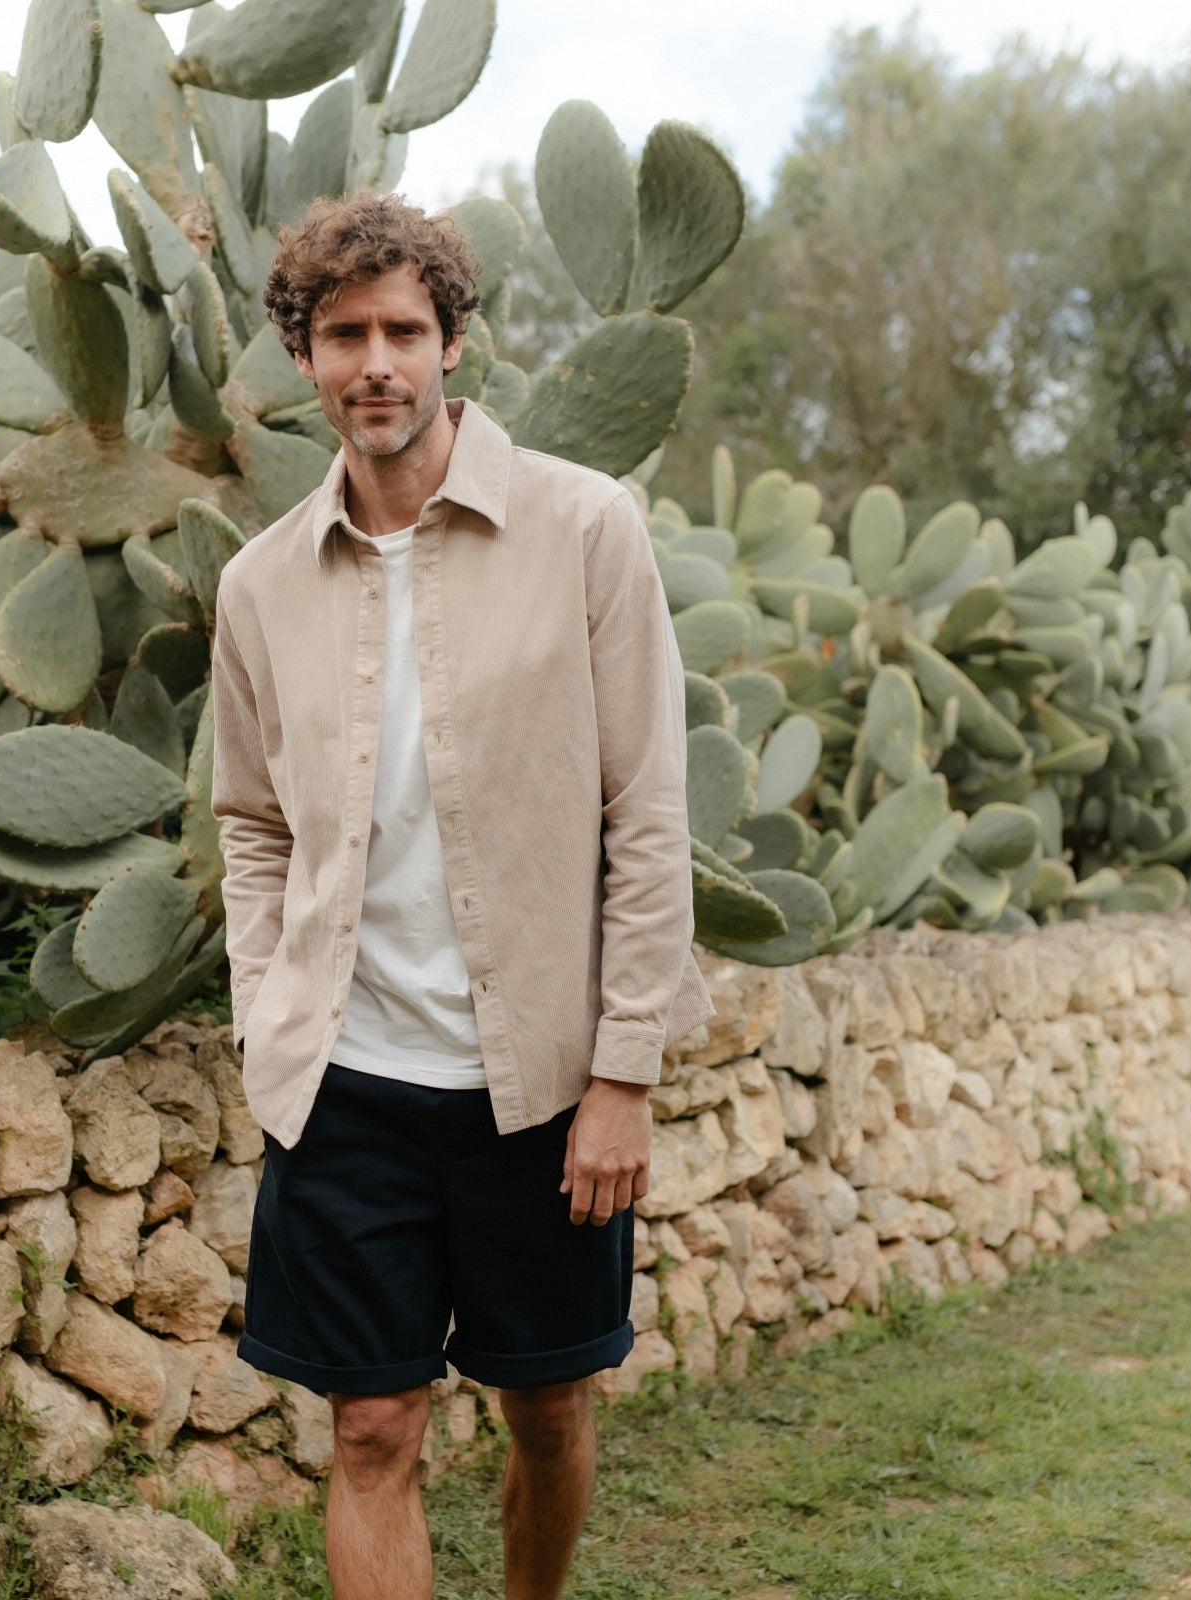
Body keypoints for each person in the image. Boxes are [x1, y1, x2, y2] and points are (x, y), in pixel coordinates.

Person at [208, 191, 714, 1600]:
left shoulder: (584, 526)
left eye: (403, 331)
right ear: (303, 356)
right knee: (370, 1428)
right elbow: (251, 824)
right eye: (343, 335)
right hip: (346, 1084)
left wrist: (624, 1072)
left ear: (451, 343)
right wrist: (265, 1015)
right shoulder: (258, 586)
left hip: (539, 1083)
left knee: (546, 1408)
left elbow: (647, 808)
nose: (376, 364)